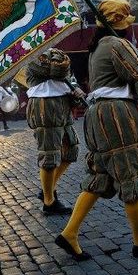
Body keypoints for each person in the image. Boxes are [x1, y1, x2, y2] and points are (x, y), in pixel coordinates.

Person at [55, 0, 138, 261]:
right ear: (120, 24)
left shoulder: (98, 46)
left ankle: (70, 233)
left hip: (96, 116)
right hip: (117, 116)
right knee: (131, 170)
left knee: (99, 175)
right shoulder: (117, 44)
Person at [26, 48, 82, 216]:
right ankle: (49, 202)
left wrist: (75, 91)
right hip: (44, 105)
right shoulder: (31, 55)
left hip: (62, 103)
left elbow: (62, 74)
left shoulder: (56, 53)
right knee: (49, 155)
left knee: (71, 148)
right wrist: (61, 62)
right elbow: (54, 70)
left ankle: (46, 190)